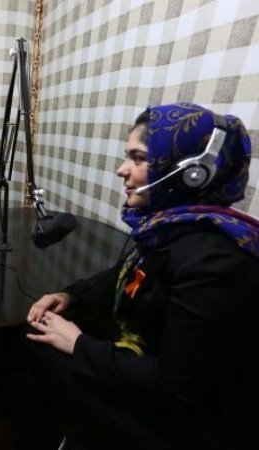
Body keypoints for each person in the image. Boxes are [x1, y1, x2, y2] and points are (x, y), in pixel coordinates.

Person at [16, 102, 259, 449]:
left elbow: (175, 388)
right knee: (38, 332)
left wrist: (79, 345)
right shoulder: (169, 229)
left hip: (182, 424)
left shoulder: (215, 262)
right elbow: (128, 274)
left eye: (138, 158)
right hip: (148, 376)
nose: (121, 169)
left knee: (36, 348)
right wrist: (71, 296)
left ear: (192, 173)